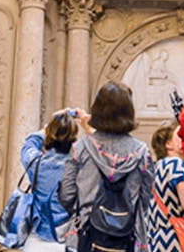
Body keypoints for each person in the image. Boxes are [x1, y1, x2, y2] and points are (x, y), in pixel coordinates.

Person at [60, 82, 154, 252]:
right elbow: (145, 200)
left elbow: (66, 195)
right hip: (127, 238)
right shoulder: (142, 153)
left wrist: (83, 211)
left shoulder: (80, 149)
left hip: (85, 237)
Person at [21, 108, 84, 252]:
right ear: (73, 138)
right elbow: (104, 153)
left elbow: (29, 143)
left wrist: (48, 127)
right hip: (70, 240)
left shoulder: (36, 163)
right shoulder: (81, 167)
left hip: (37, 240)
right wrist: (87, 125)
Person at [148, 120, 184, 252]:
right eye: (180, 135)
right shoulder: (175, 164)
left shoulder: (157, 167)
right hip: (178, 240)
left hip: (157, 239)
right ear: (168, 144)